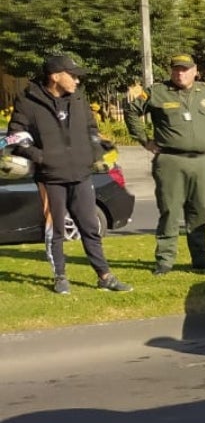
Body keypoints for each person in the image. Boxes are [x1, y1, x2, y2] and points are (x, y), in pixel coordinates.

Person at [7, 54, 132, 294]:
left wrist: (95, 153)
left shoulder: (78, 98)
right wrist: (40, 157)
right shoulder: (28, 101)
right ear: (55, 76)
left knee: (90, 228)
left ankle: (104, 275)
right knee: (55, 231)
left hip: (82, 175)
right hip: (50, 178)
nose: (77, 80)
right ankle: (60, 277)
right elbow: (16, 135)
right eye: (72, 75)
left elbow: (91, 129)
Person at [125, 53, 205, 274]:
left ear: (195, 70)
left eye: (185, 69)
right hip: (170, 161)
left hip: (201, 161)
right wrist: (145, 141)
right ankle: (164, 261)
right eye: (176, 69)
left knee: (198, 211)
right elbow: (132, 112)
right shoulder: (157, 92)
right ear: (171, 71)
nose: (180, 73)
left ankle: (200, 259)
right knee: (169, 211)